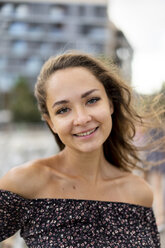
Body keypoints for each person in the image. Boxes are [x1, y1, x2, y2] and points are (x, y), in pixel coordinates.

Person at [0, 51, 161, 247]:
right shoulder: (26, 182)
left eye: (92, 100)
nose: (82, 118)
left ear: (110, 104)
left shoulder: (139, 192)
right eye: (63, 110)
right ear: (51, 123)